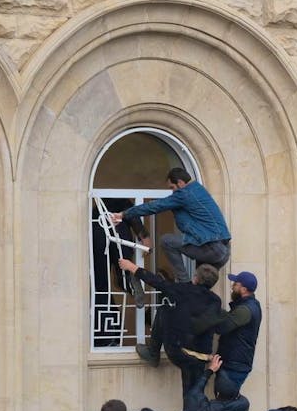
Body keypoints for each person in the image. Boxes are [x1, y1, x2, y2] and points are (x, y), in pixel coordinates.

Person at [118, 259, 223, 398]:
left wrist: (132, 267)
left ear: (196, 278)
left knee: (164, 310)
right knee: (194, 395)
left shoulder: (183, 291)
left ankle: (153, 352)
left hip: (180, 352)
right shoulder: (216, 300)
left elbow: (158, 283)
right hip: (202, 356)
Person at [112, 168, 231, 284]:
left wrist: (124, 214)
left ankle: (184, 283)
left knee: (167, 241)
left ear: (180, 183)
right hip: (224, 251)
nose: (173, 192)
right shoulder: (198, 191)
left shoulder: (185, 193)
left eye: (172, 188)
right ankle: (193, 294)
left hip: (212, 248)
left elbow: (155, 206)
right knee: (201, 285)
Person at [213, 271, 262, 389]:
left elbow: (221, 327)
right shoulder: (250, 305)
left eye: (236, 284)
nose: (232, 286)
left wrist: (210, 311)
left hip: (234, 365)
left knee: (225, 402)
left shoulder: (244, 310)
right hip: (235, 363)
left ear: (243, 289)